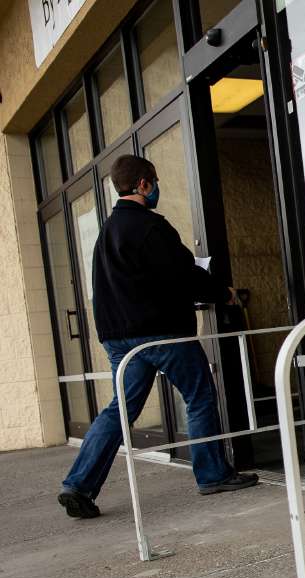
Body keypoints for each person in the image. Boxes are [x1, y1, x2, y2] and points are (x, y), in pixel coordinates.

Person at [58, 155, 258, 519]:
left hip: (119, 339)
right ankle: (212, 474)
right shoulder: (151, 227)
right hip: (162, 333)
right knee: (198, 396)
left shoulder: (106, 234)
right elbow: (184, 275)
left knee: (120, 410)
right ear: (144, 185)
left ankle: (78, 485)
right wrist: (223, 293)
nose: (157, 189)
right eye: (155, 182)